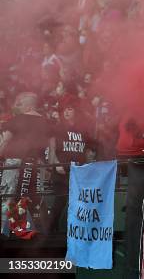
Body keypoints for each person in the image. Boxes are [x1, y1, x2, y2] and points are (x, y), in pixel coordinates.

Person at [0, 92, 53, 233]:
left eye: (20, 104)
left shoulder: (17, 119)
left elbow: (5, 140)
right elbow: (51, 145)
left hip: (16, 164)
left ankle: (6, 230)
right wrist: (48, 166)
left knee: (8, 196)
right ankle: (32, 231)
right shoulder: (47, 122)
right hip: (37, 165)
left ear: (29, 106)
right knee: (34, 198)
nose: (17, 106)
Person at [48, 98, 95, 231]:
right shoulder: (57, 129)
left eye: (69, 109)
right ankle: (50, 235)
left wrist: (87, 164)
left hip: (78, 173)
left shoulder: (83, 130)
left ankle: (75, 234)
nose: (66, 112)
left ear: (76, 111)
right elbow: (52, 148)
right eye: (64, 109)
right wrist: (57, 164)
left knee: (78, 205)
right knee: (59, 204)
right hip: (61, 173)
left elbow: (88, 149)